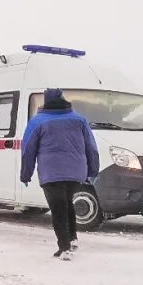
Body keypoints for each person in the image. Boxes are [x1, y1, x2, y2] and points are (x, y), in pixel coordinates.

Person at [20, 89, 99, 260]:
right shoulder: (79, 119)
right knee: (67, 203)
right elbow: (91, 147)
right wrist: (93, 170)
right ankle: (72, 238)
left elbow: (28, 149)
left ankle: (64, 248)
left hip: (51, 172)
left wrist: (26, 174)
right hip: (76, 173)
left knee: (58, 209)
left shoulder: (38, 121)